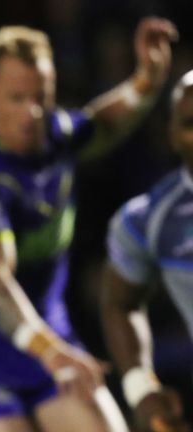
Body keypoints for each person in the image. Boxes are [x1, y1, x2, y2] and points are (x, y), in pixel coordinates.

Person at [0, 17, 177, 432]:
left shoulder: (54, 135)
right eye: (16, 98)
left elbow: (102, 122)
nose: (31, 113)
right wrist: (51, 352)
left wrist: (147, 80)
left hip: (51, 338)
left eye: (40, 97)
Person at [101, 70, 193, 432]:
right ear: (172, 136)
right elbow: (119, 302)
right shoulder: (149, 220)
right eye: (191, 123)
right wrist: (141, 389)